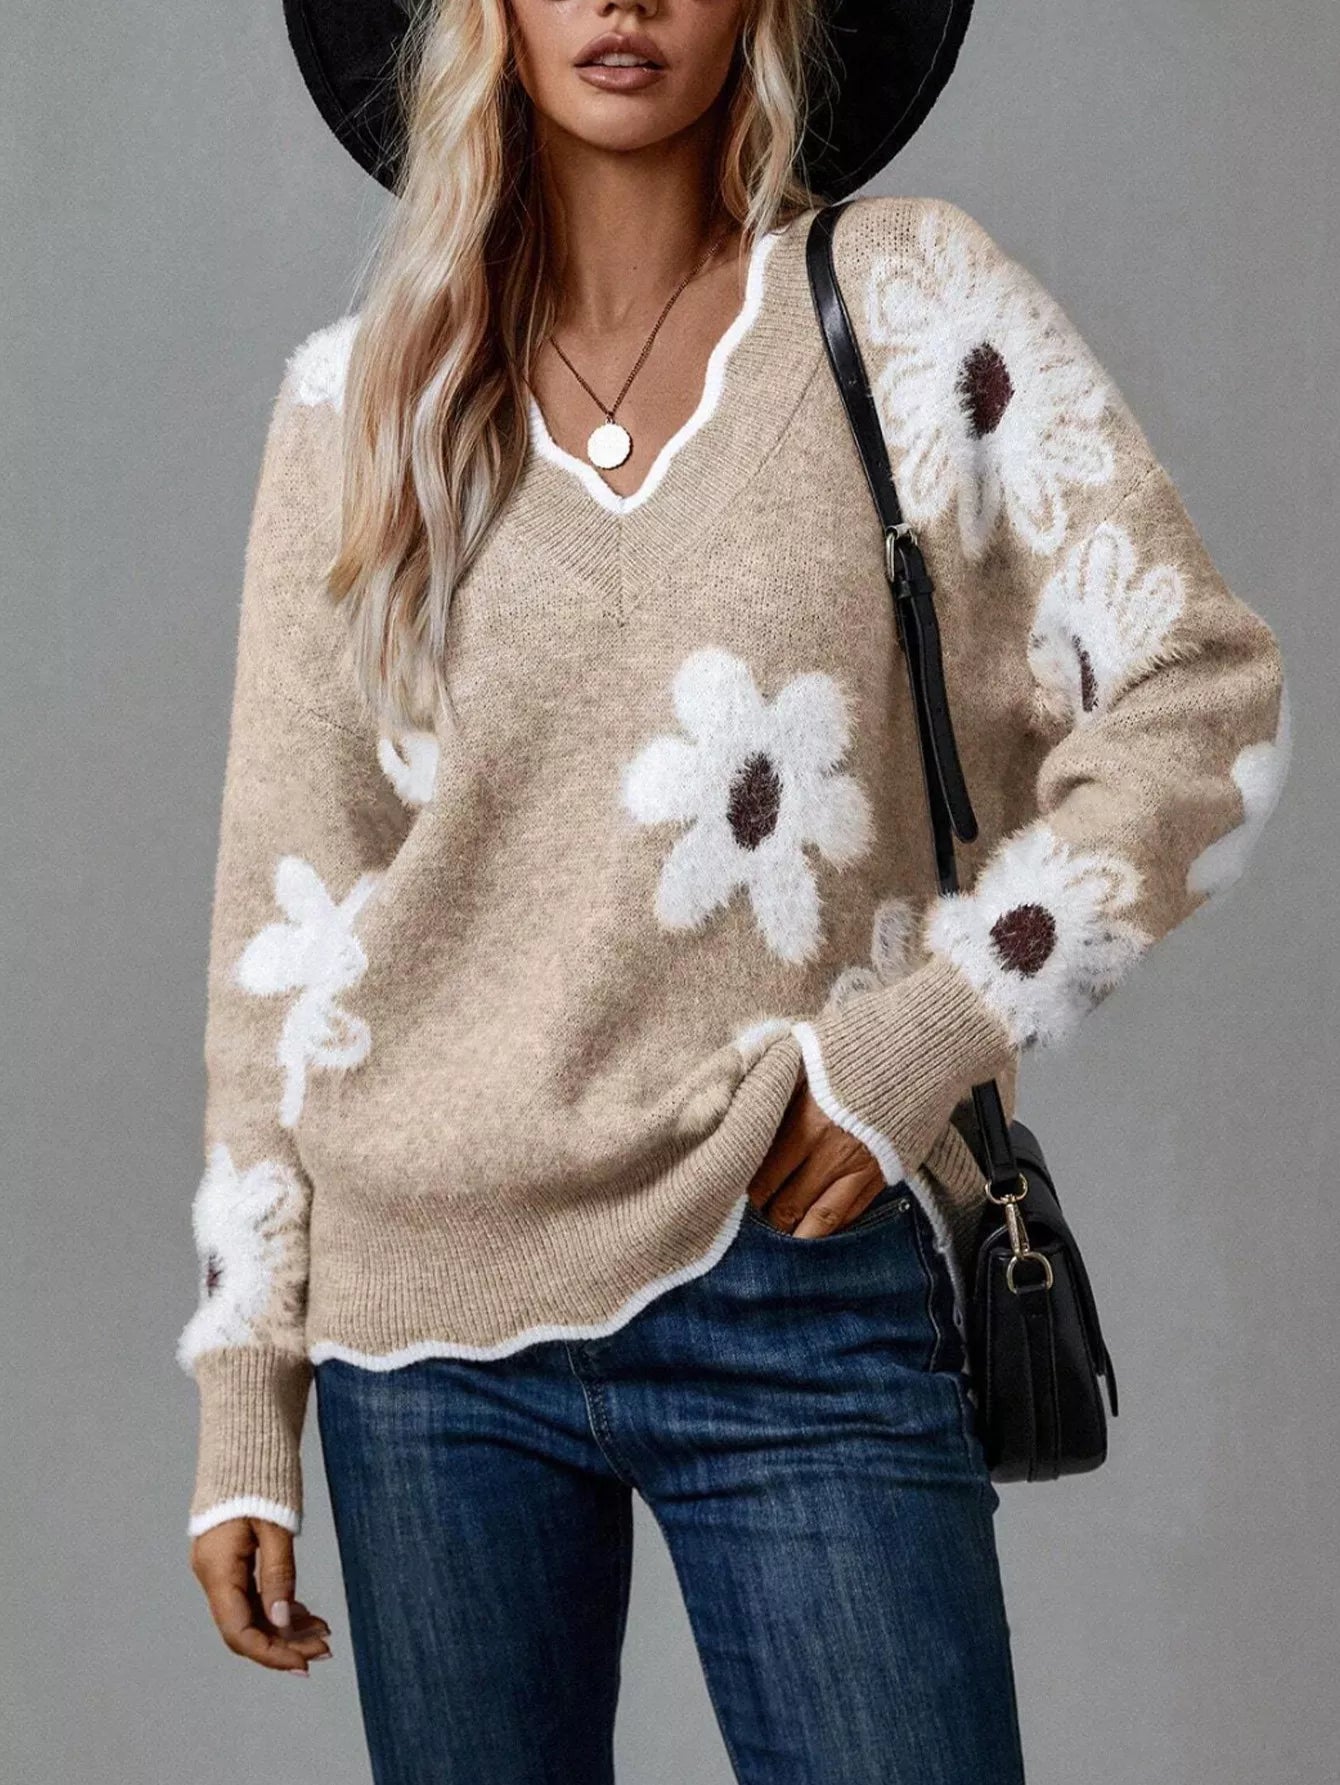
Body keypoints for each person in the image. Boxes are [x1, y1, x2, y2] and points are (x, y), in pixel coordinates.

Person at [178, 1, 1290, 1779]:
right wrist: (249, 1388)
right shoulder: (358, 400)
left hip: (801, 1267)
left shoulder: (910, 313)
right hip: (423, 1322)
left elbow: (1200, 697)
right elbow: (280, 919)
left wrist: (934, 1028)